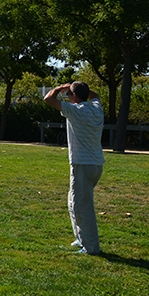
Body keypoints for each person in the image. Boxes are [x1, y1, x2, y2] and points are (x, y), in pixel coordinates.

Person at [44, 81, 105, 255]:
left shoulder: (76, 110)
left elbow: (48, 99)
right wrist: (78, 89)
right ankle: (81, 238)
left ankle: (91, 248)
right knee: (73, 202)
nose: (67, 97)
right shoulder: (96, 107)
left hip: (82, 165)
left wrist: (60, 88)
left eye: (69, 94)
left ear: (75, 96)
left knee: (82, 207)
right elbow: (95, 95)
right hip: (96, 165)